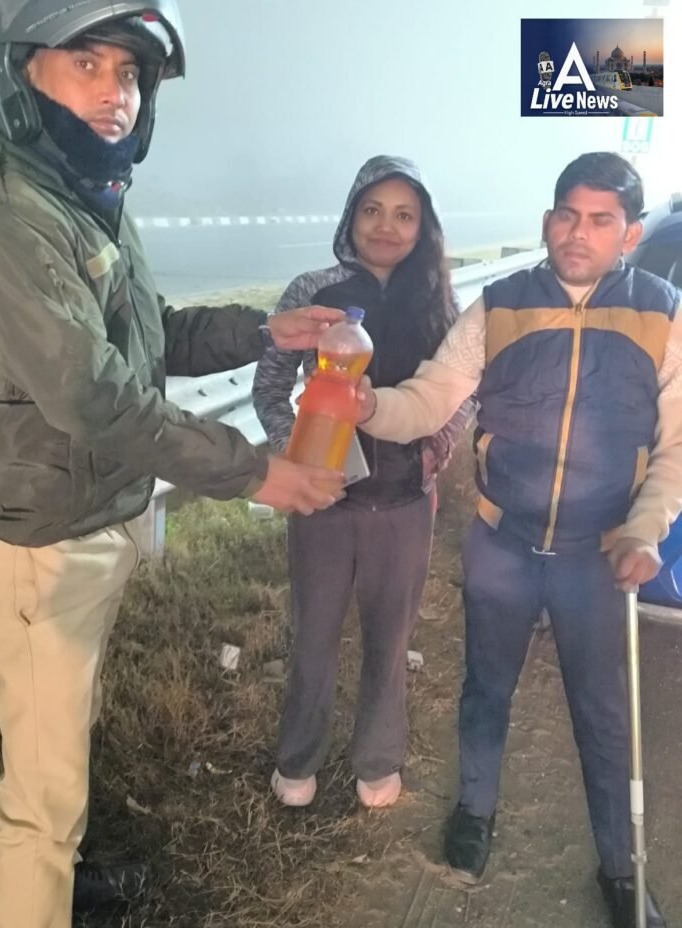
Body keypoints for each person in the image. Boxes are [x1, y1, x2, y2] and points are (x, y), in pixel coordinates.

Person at [0, 3, 345, 926]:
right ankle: (35, 890)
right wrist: (254, 471)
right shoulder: (11, 211)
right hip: (44, 540)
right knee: (41, 802)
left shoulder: (81, 190)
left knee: (59, 739)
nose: (115, 93)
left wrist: (264, 330)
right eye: (87, 64)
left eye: (130, 74)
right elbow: (96, 395)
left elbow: (147, 335)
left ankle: (55, 879)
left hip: (88, 512)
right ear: (21, 72)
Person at [355, 153, 678, 927]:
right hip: (501, 543)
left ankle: (620, 864)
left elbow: (675, 448)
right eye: (567, 214)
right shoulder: (498, 307)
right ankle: (475, 810)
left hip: (598, 555)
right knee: (485, 687)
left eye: (600, 220)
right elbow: (431, 397)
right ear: (547, 220)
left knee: (603, 712)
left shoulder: (663, 316)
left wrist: (644, 530)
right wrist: (369, 408)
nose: (578, 233)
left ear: (630, 233)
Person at [253, 155, 474, 809]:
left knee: (391, 639)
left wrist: (434, 453)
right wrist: (292, 457)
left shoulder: (438, 300)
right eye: (372, 210)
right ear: (351, 216)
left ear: (423, 227)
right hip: (322, 499)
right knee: (313, 636)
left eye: (404, 215)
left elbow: (460, 395)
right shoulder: (313, 290)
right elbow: (269, 385)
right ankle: (298, 761)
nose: (386, 226)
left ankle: (377, 761)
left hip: (405, 501)